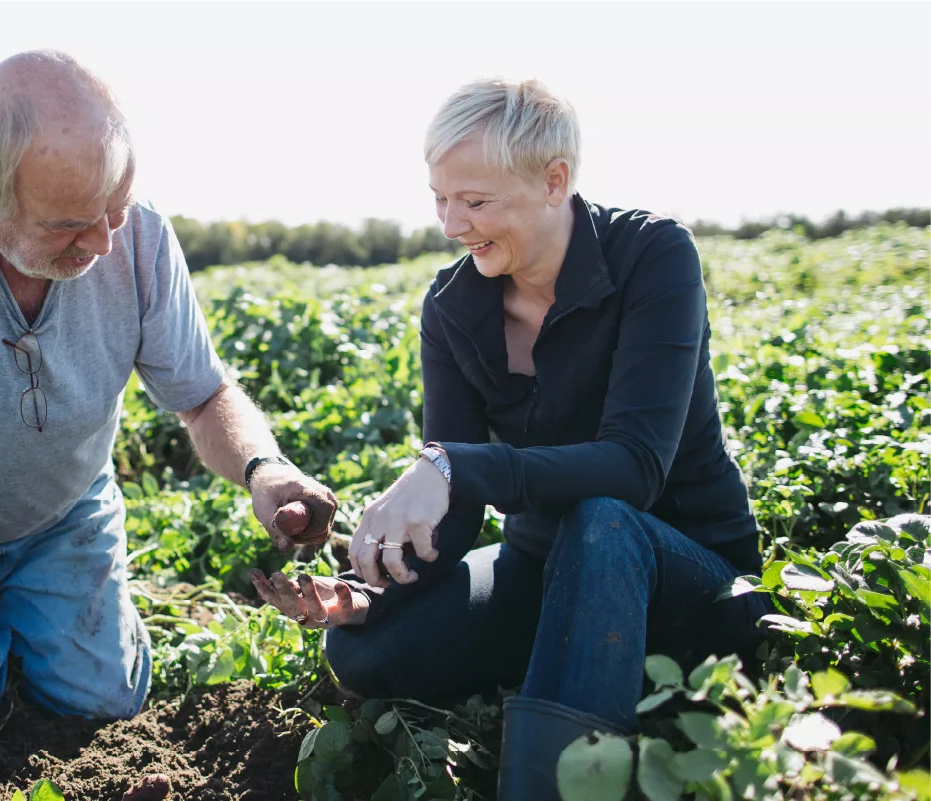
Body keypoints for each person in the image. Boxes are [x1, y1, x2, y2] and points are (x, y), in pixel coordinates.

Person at [0, 50, 338, 801]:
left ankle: (37, 621)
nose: (104, 244)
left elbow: (201, 392)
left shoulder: (140, 236)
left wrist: (264, 468)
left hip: (65, 515)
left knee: (105, 700)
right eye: (66, 226)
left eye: (112, 210)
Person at [251, 78, 771, 800]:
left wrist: (454, 465)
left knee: (602, 519)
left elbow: (634, 467)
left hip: (691, 577)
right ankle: (567, 678)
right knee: (362, 646)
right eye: (439, 197)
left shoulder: (650, 255)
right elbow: (458, 513)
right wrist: (377, 592)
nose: (450, 223)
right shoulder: (450, 306)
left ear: (554, 181)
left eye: (474, 200)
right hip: (543, 566)